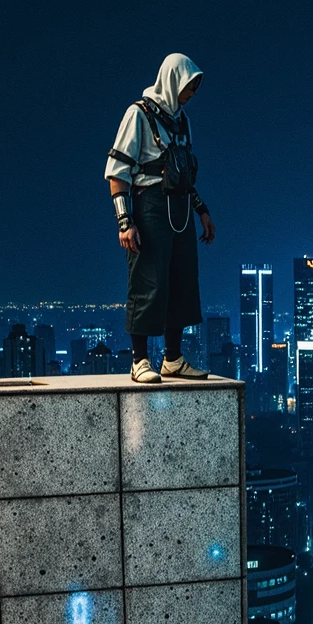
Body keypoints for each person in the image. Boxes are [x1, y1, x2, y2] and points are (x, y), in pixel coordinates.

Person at [105, 53, 216, 382]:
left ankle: (173, 358)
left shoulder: (182, 121)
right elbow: (118, 172)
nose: (191, 94)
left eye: (195, 88)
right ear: (172, 80)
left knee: (181, 281)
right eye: (188, 86)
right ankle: (139, 361)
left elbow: (183, 173)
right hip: (150, 204)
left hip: (180, 206)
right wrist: (125, 222)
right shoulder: (138, 114)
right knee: (148, 282)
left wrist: (202, 210)